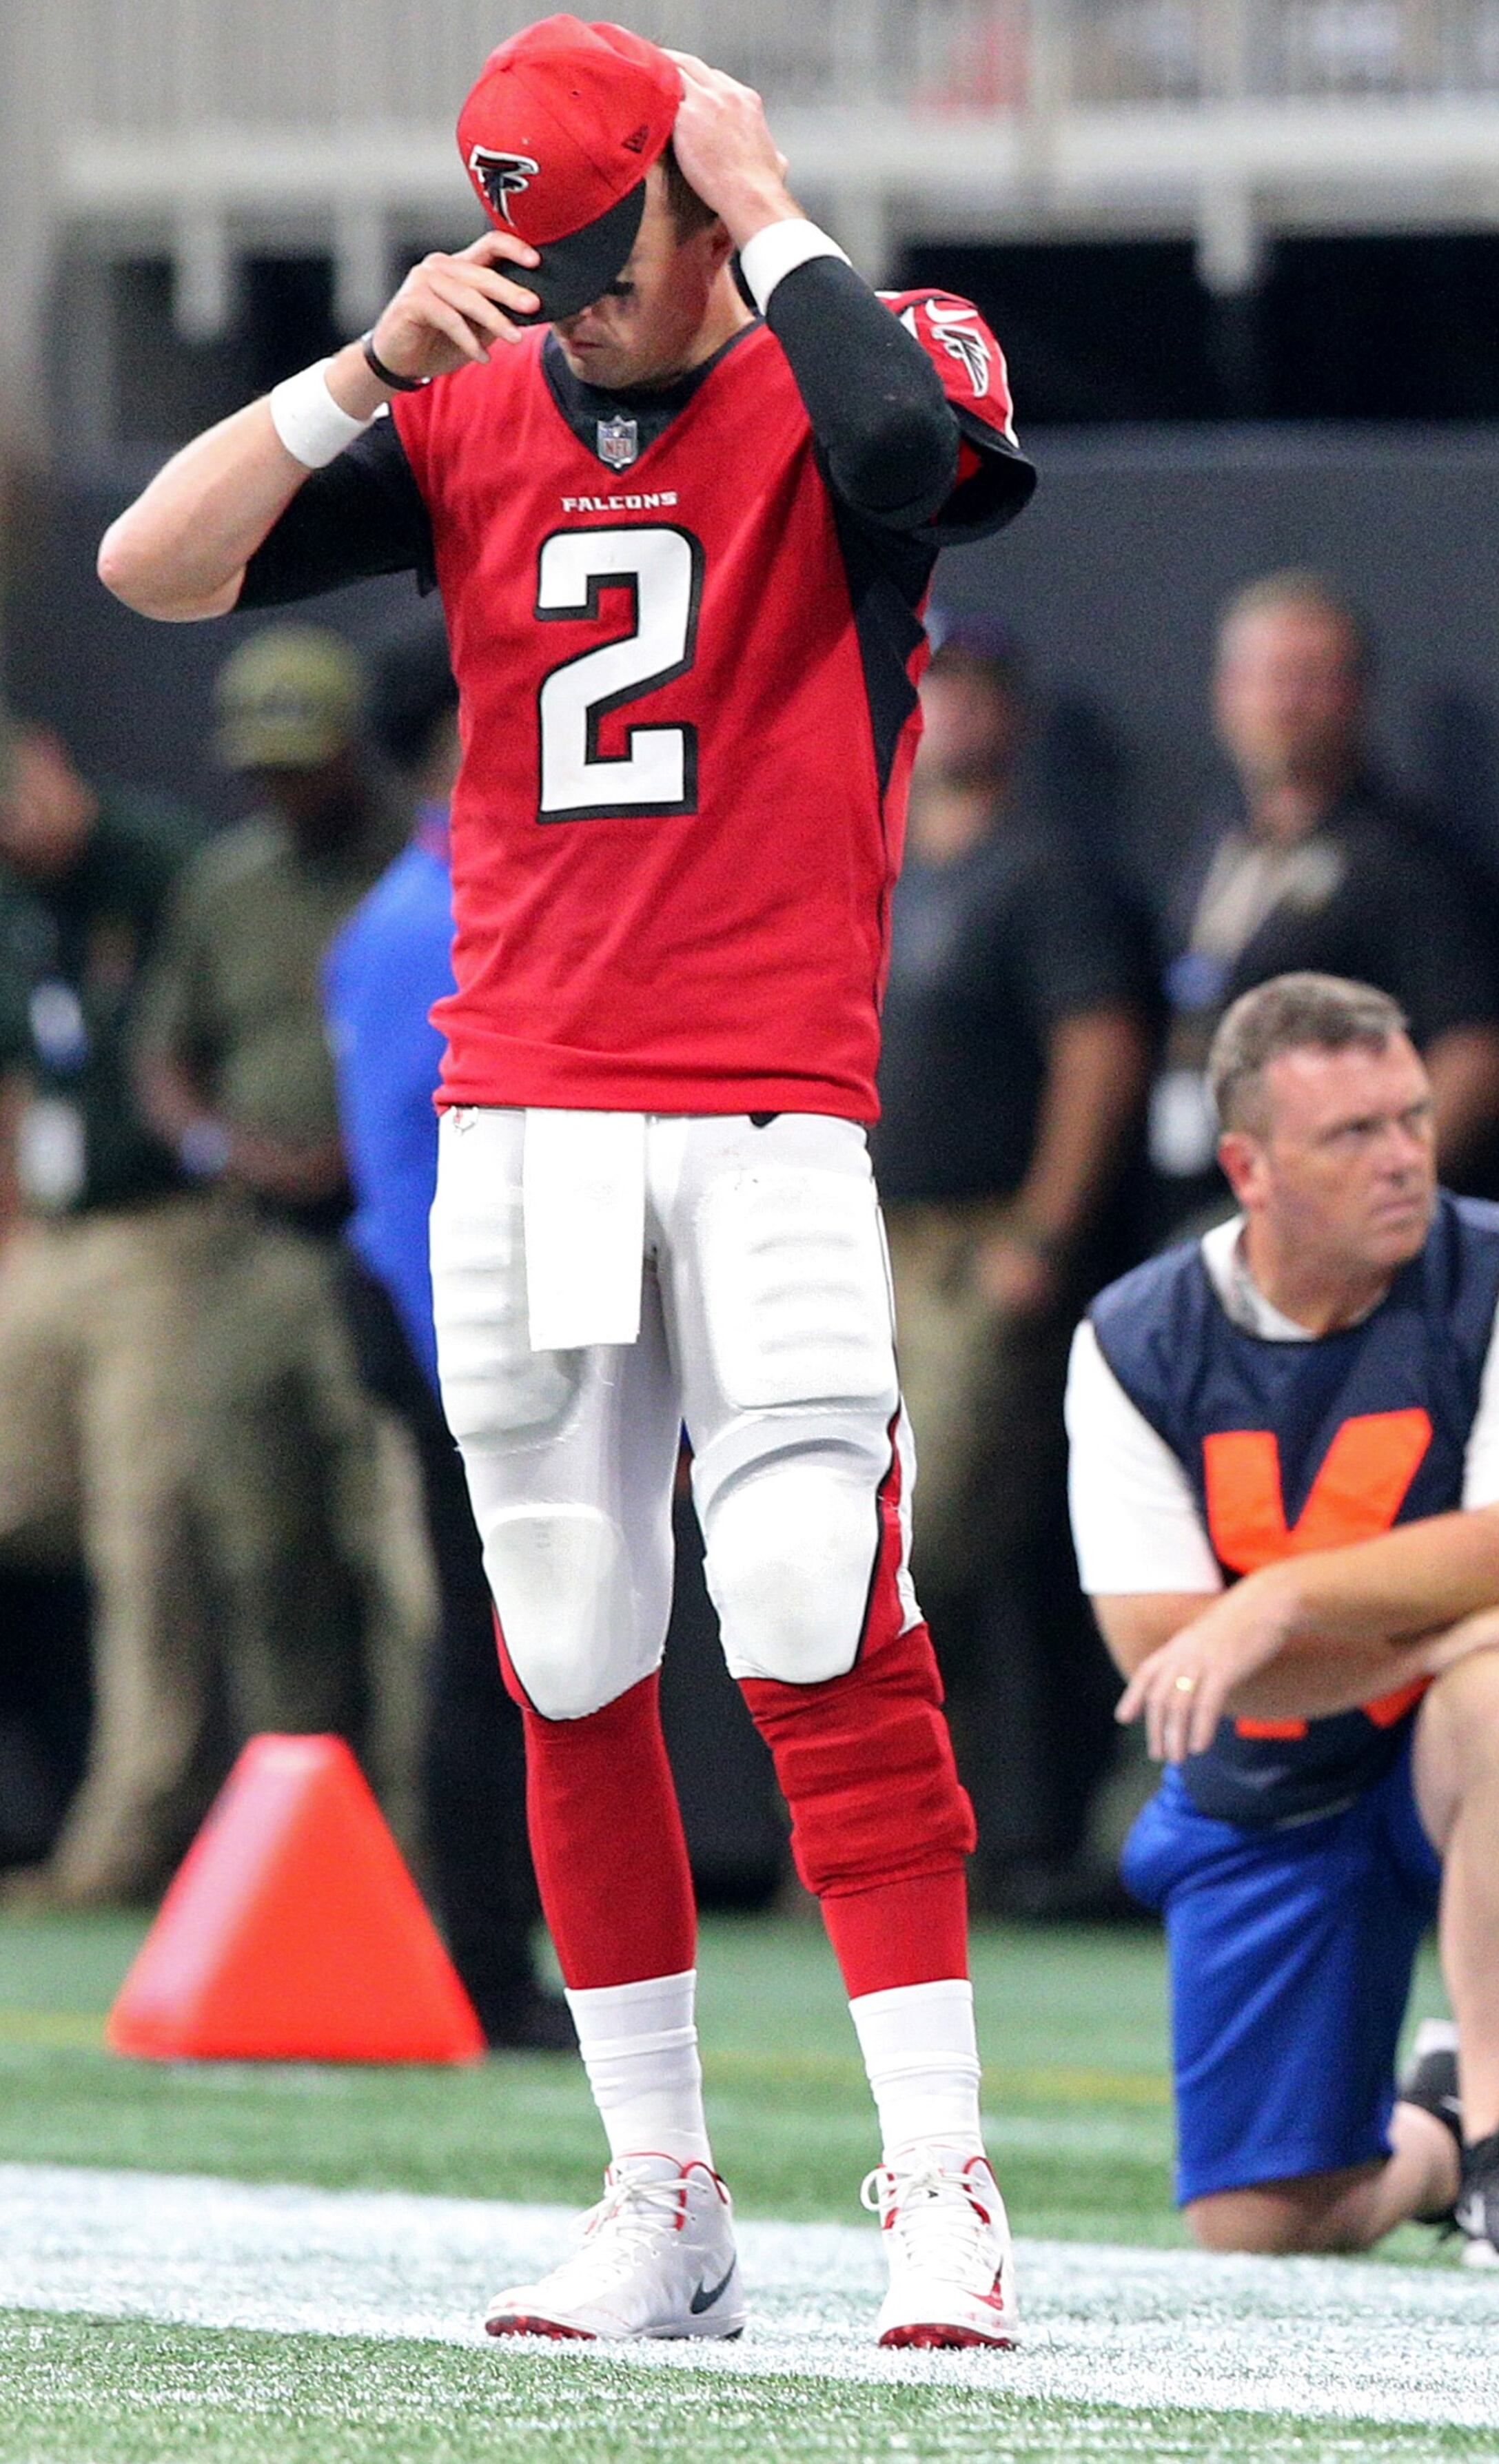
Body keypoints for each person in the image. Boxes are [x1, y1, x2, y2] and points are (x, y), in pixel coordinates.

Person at [98, 16, 1034, 2348]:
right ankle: (663, 2189)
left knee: (816, 1600)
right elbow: (153, 563)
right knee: (576, 1637)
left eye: (603, 245)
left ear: (702, 201)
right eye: (540, 251)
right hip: (517, 1100)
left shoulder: (863, 343)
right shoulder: (473, 392)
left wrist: (766, 194)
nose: (573, 298)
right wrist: (351, 371)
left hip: (762, 1100)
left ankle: (943, 2180)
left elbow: (916, 448)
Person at [1068, 972, 1499, 2265]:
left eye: (1412, 1118)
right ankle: (1439, 2133)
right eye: (1353, 1134)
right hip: (1268, 1785)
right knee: (1260, 2225)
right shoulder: (1138, 1337)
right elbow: (1170, 1663)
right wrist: (1440, 1635)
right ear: (1248, 1169)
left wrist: (1279, 1597)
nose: (1403, 1159)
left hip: (1449, 1752)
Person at [875, 610, 1154, 1902]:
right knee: (845, 1540)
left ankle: (965, 1826)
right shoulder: (878, 857)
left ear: (1019, 717)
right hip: (868, 1235)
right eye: (943, 688)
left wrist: (1043, 1229)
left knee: (940, 1535)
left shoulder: (1045, 873)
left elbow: (1100, 1052)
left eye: (985, 692)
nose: (962, 714)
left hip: (978, 1237)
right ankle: (873, 1828)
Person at [130, 626, 426, 1839]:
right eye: (262, 770)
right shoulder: (226, 884)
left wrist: (376, 1149)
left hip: (390, 1238)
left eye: (303, 763)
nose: (283, 790)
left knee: (403, 1562)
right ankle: (296, 1848)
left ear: (355, 749)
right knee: (261, 1554)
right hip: (253, 1252)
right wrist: (221, 1145)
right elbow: (162, 1056)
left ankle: (423, 1845)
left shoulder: (419, 870)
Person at [324, 615, 572, 2053]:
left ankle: (499, 1949)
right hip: (449, 1324)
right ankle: (479, 1959)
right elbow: (408, 1180)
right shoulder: (429, 919)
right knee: (488, 1640)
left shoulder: (460, 900)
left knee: (523, 1637)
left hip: (480, 1316)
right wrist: (475, 1379)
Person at [1149, 572, 1499, 1226]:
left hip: (1329, 1231)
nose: (1285, 704)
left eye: (1310, 678)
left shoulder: (1410, 859)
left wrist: (1360, 1193)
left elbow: (1478, 1056)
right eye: (1266, 676)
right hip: (1206, 1206)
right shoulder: (1223, 842)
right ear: (1225, 692)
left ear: (1356, 694)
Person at [0, 717, 208, 1905]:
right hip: (48, 1234)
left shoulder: (160, 866)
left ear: (51, 759)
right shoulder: (20, 902)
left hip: (157, 1235)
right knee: (25, 1504)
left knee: (144, 1534)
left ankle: (125, 1829)